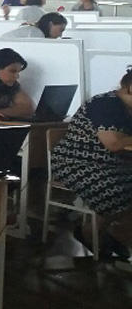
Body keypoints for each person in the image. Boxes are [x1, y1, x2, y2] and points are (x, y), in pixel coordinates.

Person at [50, 69, 132, 256]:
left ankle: (113, 235)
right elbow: (113, 143)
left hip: (115, 164)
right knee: (116, 190)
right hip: (77, 163)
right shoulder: (105, 104)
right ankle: (93, 233)